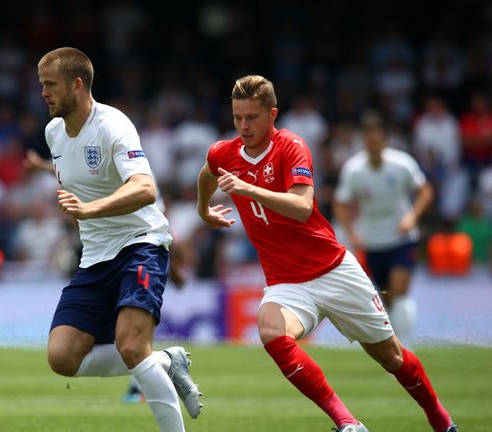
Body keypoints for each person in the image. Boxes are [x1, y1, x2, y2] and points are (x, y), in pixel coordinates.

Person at [196, 75, 457, 432]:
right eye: (237, 117)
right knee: (271, 331)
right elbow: (209, 172)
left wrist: (248, 188)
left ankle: (440, 419)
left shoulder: (291, 147)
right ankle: (348, 423)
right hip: (286, 282)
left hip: (333, 270)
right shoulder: (223, 152)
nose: (243, 126)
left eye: (251, 118)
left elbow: (302, 207)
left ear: (272, 115)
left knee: (390, 357)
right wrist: (202, 209)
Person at [34, 47, 201, 431]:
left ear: (77, 85)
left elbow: (144, 188)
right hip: (95, 257)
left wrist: (91, 210)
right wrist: (83, 223)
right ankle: (165, 361)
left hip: (139, 244)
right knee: (62, 357)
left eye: (50, 84)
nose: (43, 92)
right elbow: (75, 192)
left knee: (130, 345)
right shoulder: (53, 132)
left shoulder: (113, 124)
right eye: (41, 84)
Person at [333, 114, 434, 343]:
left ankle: (407, 347)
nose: (372, 144)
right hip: (372, 242)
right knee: (386, 297)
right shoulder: (354, 169)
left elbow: (425, 191)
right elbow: (340, 204)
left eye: (376, 139)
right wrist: (351, 233)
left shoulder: (402, 164)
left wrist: (412, 216)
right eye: (368, 140)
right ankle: (396, 344)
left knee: (399, 291)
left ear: (385, 141)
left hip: (402, 238)